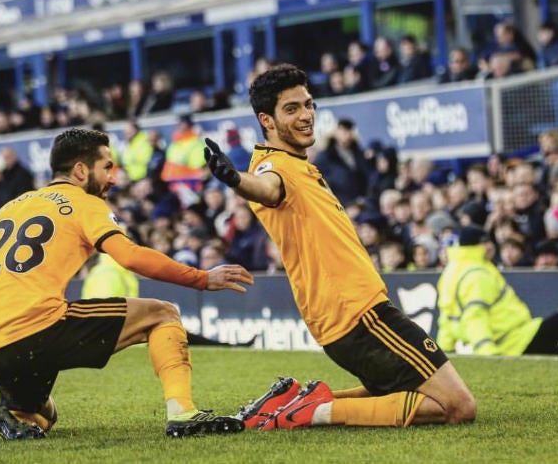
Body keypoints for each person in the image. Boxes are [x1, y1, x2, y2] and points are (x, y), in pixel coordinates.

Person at [0, 128, 253, 440]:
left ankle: (11, 411)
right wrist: (202, 278)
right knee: (163, 314)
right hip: (40, 329)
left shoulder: (7, 210)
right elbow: (130, 256)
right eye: (107, 167)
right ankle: (183, 414)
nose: (113, 177)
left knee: (43, 416)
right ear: (81, 171)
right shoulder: (85, 203)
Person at [203, 63, 476, 431]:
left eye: (308, 105)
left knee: (398, 391)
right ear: (267, 120)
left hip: (349, 313)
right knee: (457, 406)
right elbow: (266, 187)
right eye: (292, 108)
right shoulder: (273, 165)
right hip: (358, 312)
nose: (306, 116)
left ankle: (294, 400)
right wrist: (236, 180)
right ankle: (310, 412)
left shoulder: (298, 165)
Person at [437, 225, 558, 357]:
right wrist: (488, 353)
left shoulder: (451, 272)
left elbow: (447, 319)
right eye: (486, 242)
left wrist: (444, 352)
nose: (491, 246)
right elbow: (475, 316)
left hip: (513, 339)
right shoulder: (477, 273)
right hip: (514, 340)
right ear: (478, 246)